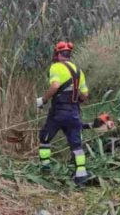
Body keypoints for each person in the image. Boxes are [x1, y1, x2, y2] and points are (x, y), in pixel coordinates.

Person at [36, 41, 90, 186]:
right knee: (76, 145)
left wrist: (44, 99)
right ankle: (81, 175)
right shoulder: (79, 71)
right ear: (69, 55)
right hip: (74, 113)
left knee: (45, 137)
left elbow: (55, 85)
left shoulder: (56, 67)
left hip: (58, 112)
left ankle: (45, 169)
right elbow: (85, 95)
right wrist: (76, 101)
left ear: (58, 54)